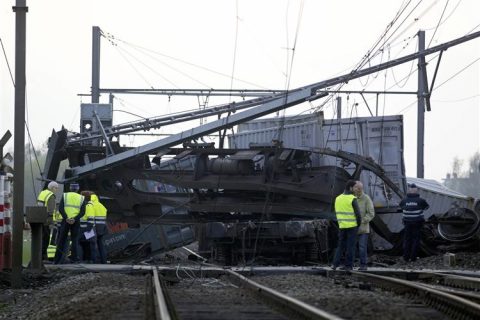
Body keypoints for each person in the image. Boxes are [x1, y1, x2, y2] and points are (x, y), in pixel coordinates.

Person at [53, 183, 86, 264]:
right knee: (74, 240)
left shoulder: (65, 195)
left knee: (61, 240)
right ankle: (74, 260)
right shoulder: (81, 198)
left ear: (70, 188)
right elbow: (83, 212)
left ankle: (56, 260)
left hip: (65, 220)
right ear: (77, 189)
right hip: (76, 221)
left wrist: (66, 218)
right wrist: (74, 219)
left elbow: (60, 208)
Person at [332, 180, 362, 271]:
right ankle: (348, 266)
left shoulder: (337, 198)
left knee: (340, 246)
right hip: (352, 226)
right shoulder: (352, 198)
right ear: (350, 188)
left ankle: (335, 265)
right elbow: (358, 215)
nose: (355, 189)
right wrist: (358, 225)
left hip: (342, 226)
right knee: (350, 247)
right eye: (354, 187)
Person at [399, 183, 429, 262]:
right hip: (417, 223)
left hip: (407, 223)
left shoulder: (404, 200)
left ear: (409, 190)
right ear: (416, 191)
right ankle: (413, 258)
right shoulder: (421, 200)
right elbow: (426, 207)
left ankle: (406, 257)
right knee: (415, 239)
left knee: (407, 239)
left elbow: (401, 207)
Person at [353, 181, 375, 271]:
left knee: (362, 247)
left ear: (359, 189)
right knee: (352, 247)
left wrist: (362, 221)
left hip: (363, 229)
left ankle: (363, 265)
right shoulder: (351, 198)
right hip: (352, 228)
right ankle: (351, 264)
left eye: (355, 187)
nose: (353, 189)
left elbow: (371, 213)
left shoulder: (366, 198)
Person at [37, 181, 59, 260]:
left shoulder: (42, 193)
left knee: (40, 238)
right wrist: (51, 222)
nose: (57, 190)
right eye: (56, 188)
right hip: (47, 221)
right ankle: (43, 255)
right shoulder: (51, 196)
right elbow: (51, 210)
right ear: (53, 188)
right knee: (46, 239)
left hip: (40, 218)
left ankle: (39, 255)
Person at [90, 193, 108, 263]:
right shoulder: (102, 206)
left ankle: (94, 261)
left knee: (92, 245)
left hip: (93, 228)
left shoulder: (91, 205)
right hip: (102, 228)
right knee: (101, 245)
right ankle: (104, 261)